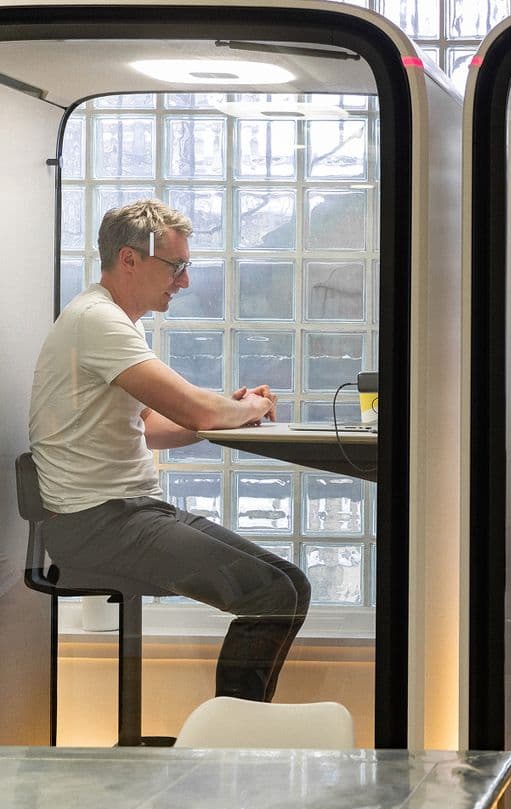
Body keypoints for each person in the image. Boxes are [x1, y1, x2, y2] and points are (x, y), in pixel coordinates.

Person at [29, 199, 310, 702]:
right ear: (129, 259)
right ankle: (234, 738)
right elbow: (195, 410)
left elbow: (152, 424)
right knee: (272, 592)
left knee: (290, 584)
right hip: (96, 524)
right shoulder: (97, 320)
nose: (182, 281)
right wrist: (238, 408)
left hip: (128, 512)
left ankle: (236, 729)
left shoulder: (117, 320)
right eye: (175, 266)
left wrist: (228, 410)